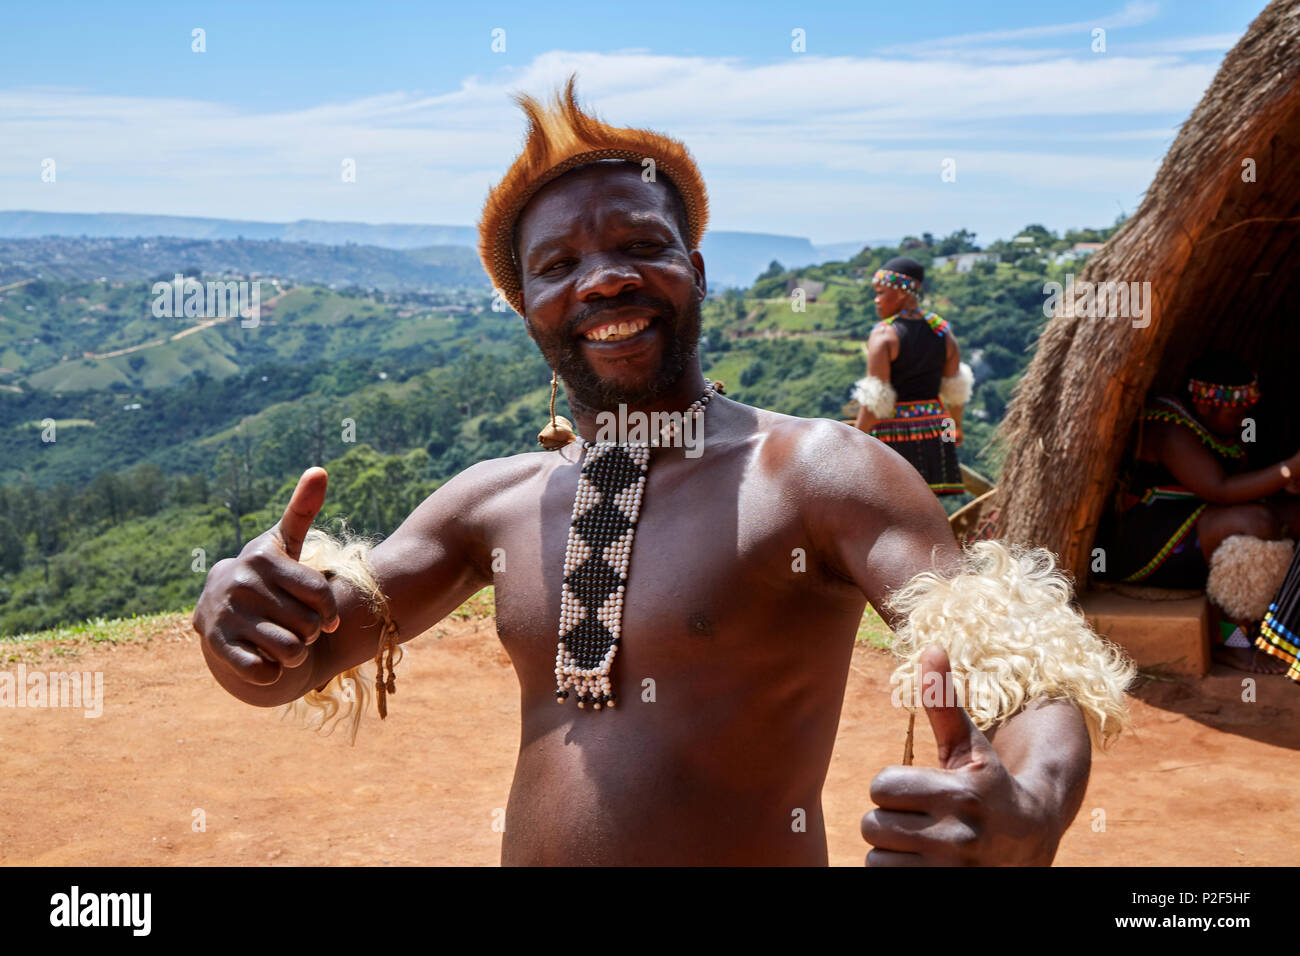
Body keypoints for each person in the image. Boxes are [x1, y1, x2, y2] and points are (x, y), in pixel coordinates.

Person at [192, 75, 1132, 866]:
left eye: (641, 245)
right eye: (560, 264)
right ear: (528, 308)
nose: (603, 279)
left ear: (696, 267)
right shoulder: (489, 503)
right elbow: (297, 661)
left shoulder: (817, 473)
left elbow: (1019, 667)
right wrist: (237, 615)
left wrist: (1035, 804)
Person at [1094, 353, 1300, 673]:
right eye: (1237, 410)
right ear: (1205, 406)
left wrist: (1282, 485)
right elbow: (1218, 489)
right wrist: (1289, 469)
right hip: (1147, 546)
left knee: (1292, 515)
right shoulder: (1170, 430)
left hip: (1196, 527)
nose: (1246, 414)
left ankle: (1282, 623)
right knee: (1253, 523)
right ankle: (1234, 641)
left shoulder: (1216, 425)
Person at [852, 257, 972, 496]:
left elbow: (876, 399)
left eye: (880, 292)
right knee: (928, 506)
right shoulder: (942, 331)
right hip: (936, 435)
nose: (876, 300)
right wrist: (956, 427)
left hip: (893, 435)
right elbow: (955, 389)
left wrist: (855, 437)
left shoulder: (884, 334)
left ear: (901, 293)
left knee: (888, 505)